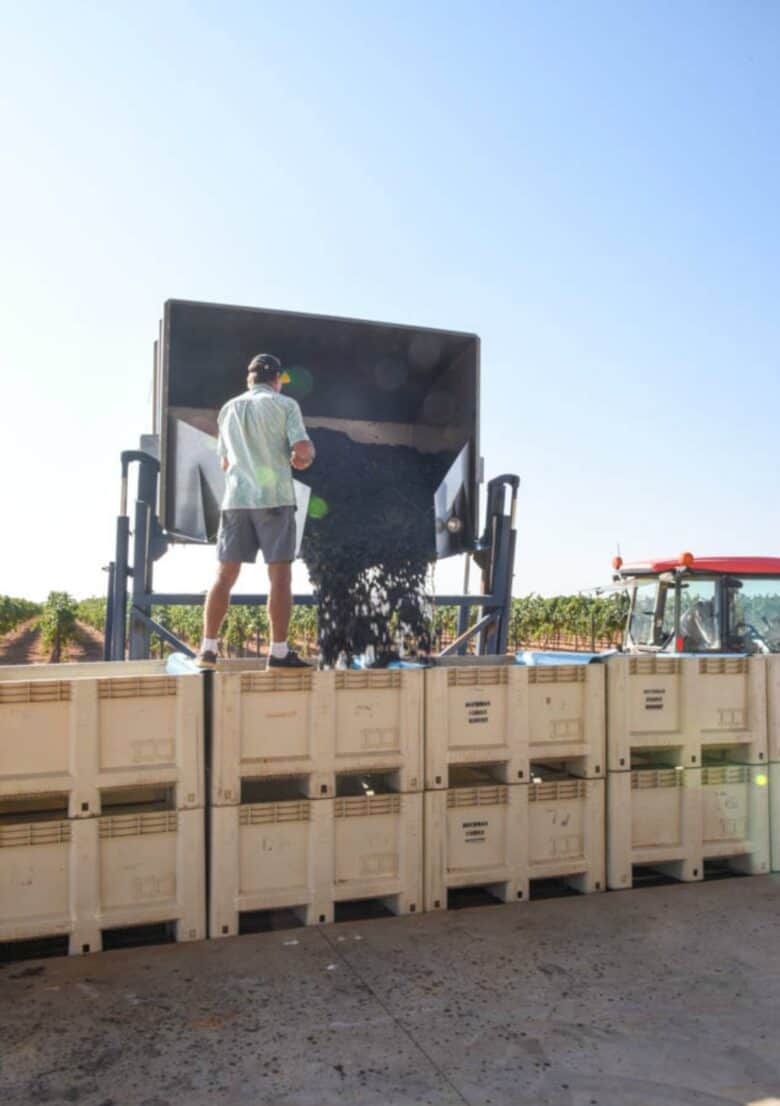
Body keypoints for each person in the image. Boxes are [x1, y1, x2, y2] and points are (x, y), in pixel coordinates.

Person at [195, 353, 315, 670]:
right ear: (276, 380)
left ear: (249, 380)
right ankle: (277, 653)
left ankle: (207, 649)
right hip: (274, 500)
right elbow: (301, 452)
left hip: (235, 501)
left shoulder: (228, 409)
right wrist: (305, 457)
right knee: (279, 576)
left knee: (224, 575)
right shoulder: (285, 405)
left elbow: (224, 462)